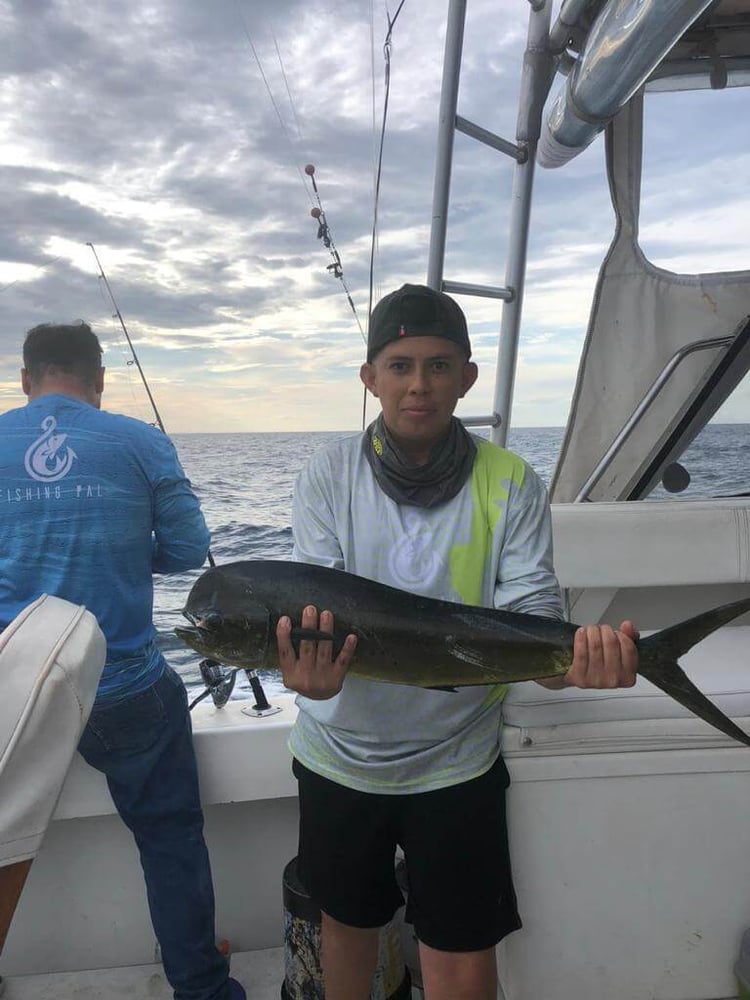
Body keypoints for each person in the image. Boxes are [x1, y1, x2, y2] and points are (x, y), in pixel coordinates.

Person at [275, 284, 639, 1000]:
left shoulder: (510, 481)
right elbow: (315, 610)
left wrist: (580, 662)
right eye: (401, 364)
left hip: (459, 763)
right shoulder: (326, 475)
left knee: (460, 948)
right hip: (339, 758)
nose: (419, 384)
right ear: (370, 377)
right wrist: (307, 677)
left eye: (440, 366)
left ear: (467, 378)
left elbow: (534, 617)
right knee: (345, 927)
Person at [0, 322, 244, 1000]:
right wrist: (133, 551)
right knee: (169, 837)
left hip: (11, 689)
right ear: (98, 382)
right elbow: (192, 549)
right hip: (125, 688)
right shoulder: (139, 441)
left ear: (26, 380)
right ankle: (200, 985)